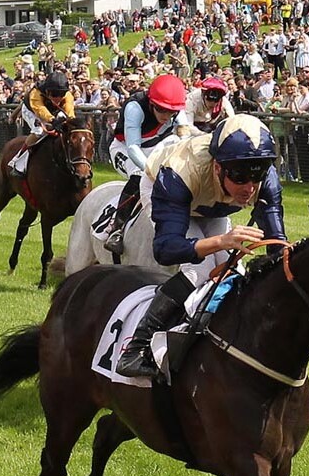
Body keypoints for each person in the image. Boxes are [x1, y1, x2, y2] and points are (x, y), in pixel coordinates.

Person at [115, 115, 287, 380]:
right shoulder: (179, 172)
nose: (250, 187)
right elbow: (166, 249)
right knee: (200, 271)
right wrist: (221, 241)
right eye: (240, 175)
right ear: (218, 167)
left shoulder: (265, 178)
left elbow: (277, 244)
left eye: (258, 173)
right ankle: (135, 348)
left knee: (233, 272)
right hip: (167, 188)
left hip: (211, 202)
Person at [102, 73, 189, 254]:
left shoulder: (176, 107)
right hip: (125, 148)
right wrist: (153, 171)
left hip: (155, 145)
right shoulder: (135, 107)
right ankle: (116, 229)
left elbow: (184, 136)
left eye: (170, 112)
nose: (166, 116)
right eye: (161, 110)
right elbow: (133, 147)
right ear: (151, 103)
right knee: (139, 174)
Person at [11, 70, 75, 175]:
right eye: (54, 94)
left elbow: (69, 110)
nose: (58, 97)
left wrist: (70, 121)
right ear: (48, 91)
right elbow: (40, 109)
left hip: (52, 111)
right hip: (31, 111)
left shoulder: (67, 95)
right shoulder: (36, 93)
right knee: (39, 131)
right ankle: (18, 161)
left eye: (61, 94)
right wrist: (52, 120)